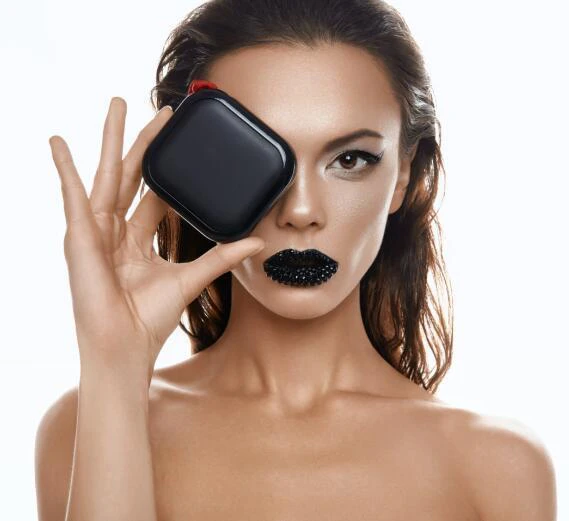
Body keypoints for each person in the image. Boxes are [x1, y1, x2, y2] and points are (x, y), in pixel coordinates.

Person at [36, 0, 557, 520]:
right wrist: (114, 362)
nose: (301, 211)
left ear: (402, 175)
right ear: (196, 170)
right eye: (258, 159)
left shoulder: (498, 468)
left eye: (350, 159)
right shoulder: (85, 426)